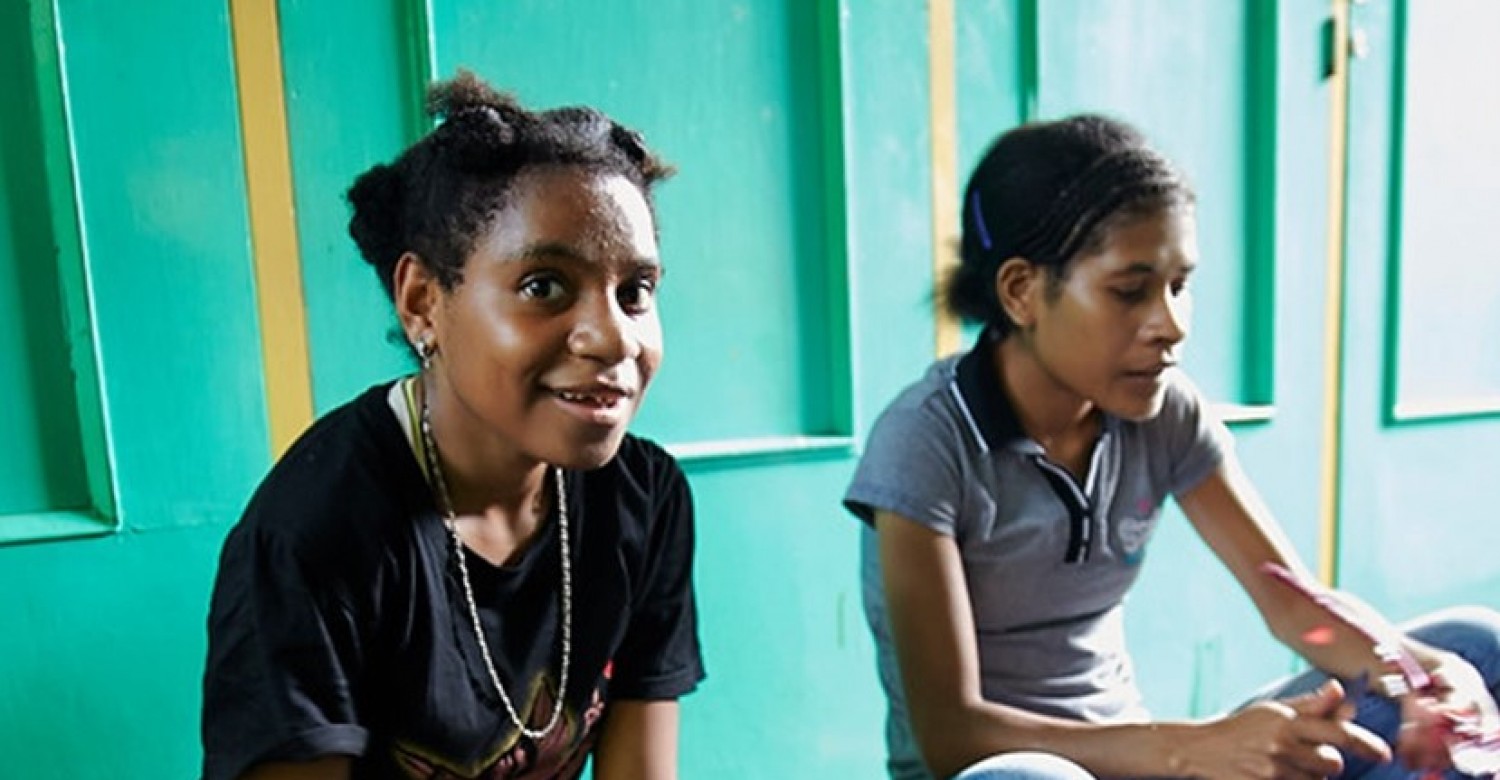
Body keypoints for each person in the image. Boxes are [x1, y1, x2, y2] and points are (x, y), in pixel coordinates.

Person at [843, 114, 1500, 780]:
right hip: (1024, 772)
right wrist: (1196, 749)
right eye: (1130, 292)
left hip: (1155, 764)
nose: (1172, 325)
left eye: (1179, 286)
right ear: (1021, 291)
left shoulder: (1162, 411)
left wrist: (1423, 678)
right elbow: (955, 736)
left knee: (1479, 647)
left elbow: (1297, 607)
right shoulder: (926, 444)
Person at [202, 71, 704, 780]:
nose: (614, 337)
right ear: (422, 303)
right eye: (544, 286)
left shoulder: (643, 498)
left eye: (635, 292)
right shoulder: (313, 539)